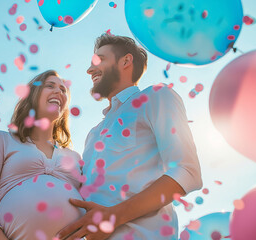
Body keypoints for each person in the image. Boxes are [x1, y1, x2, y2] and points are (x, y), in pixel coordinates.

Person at [57, 34, 203, 240]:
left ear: (125, 61)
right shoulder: (93, 133)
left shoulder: (156, 97)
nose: (90, 70)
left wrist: (113, 217)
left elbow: (188, 171)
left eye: (99, 60)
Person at [0, 70, 84, 240]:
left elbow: (92, 209)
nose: (59, 91)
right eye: (50, 86)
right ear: (33, 95)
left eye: (63, 90)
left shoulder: (76, 158)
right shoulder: (1, 140)